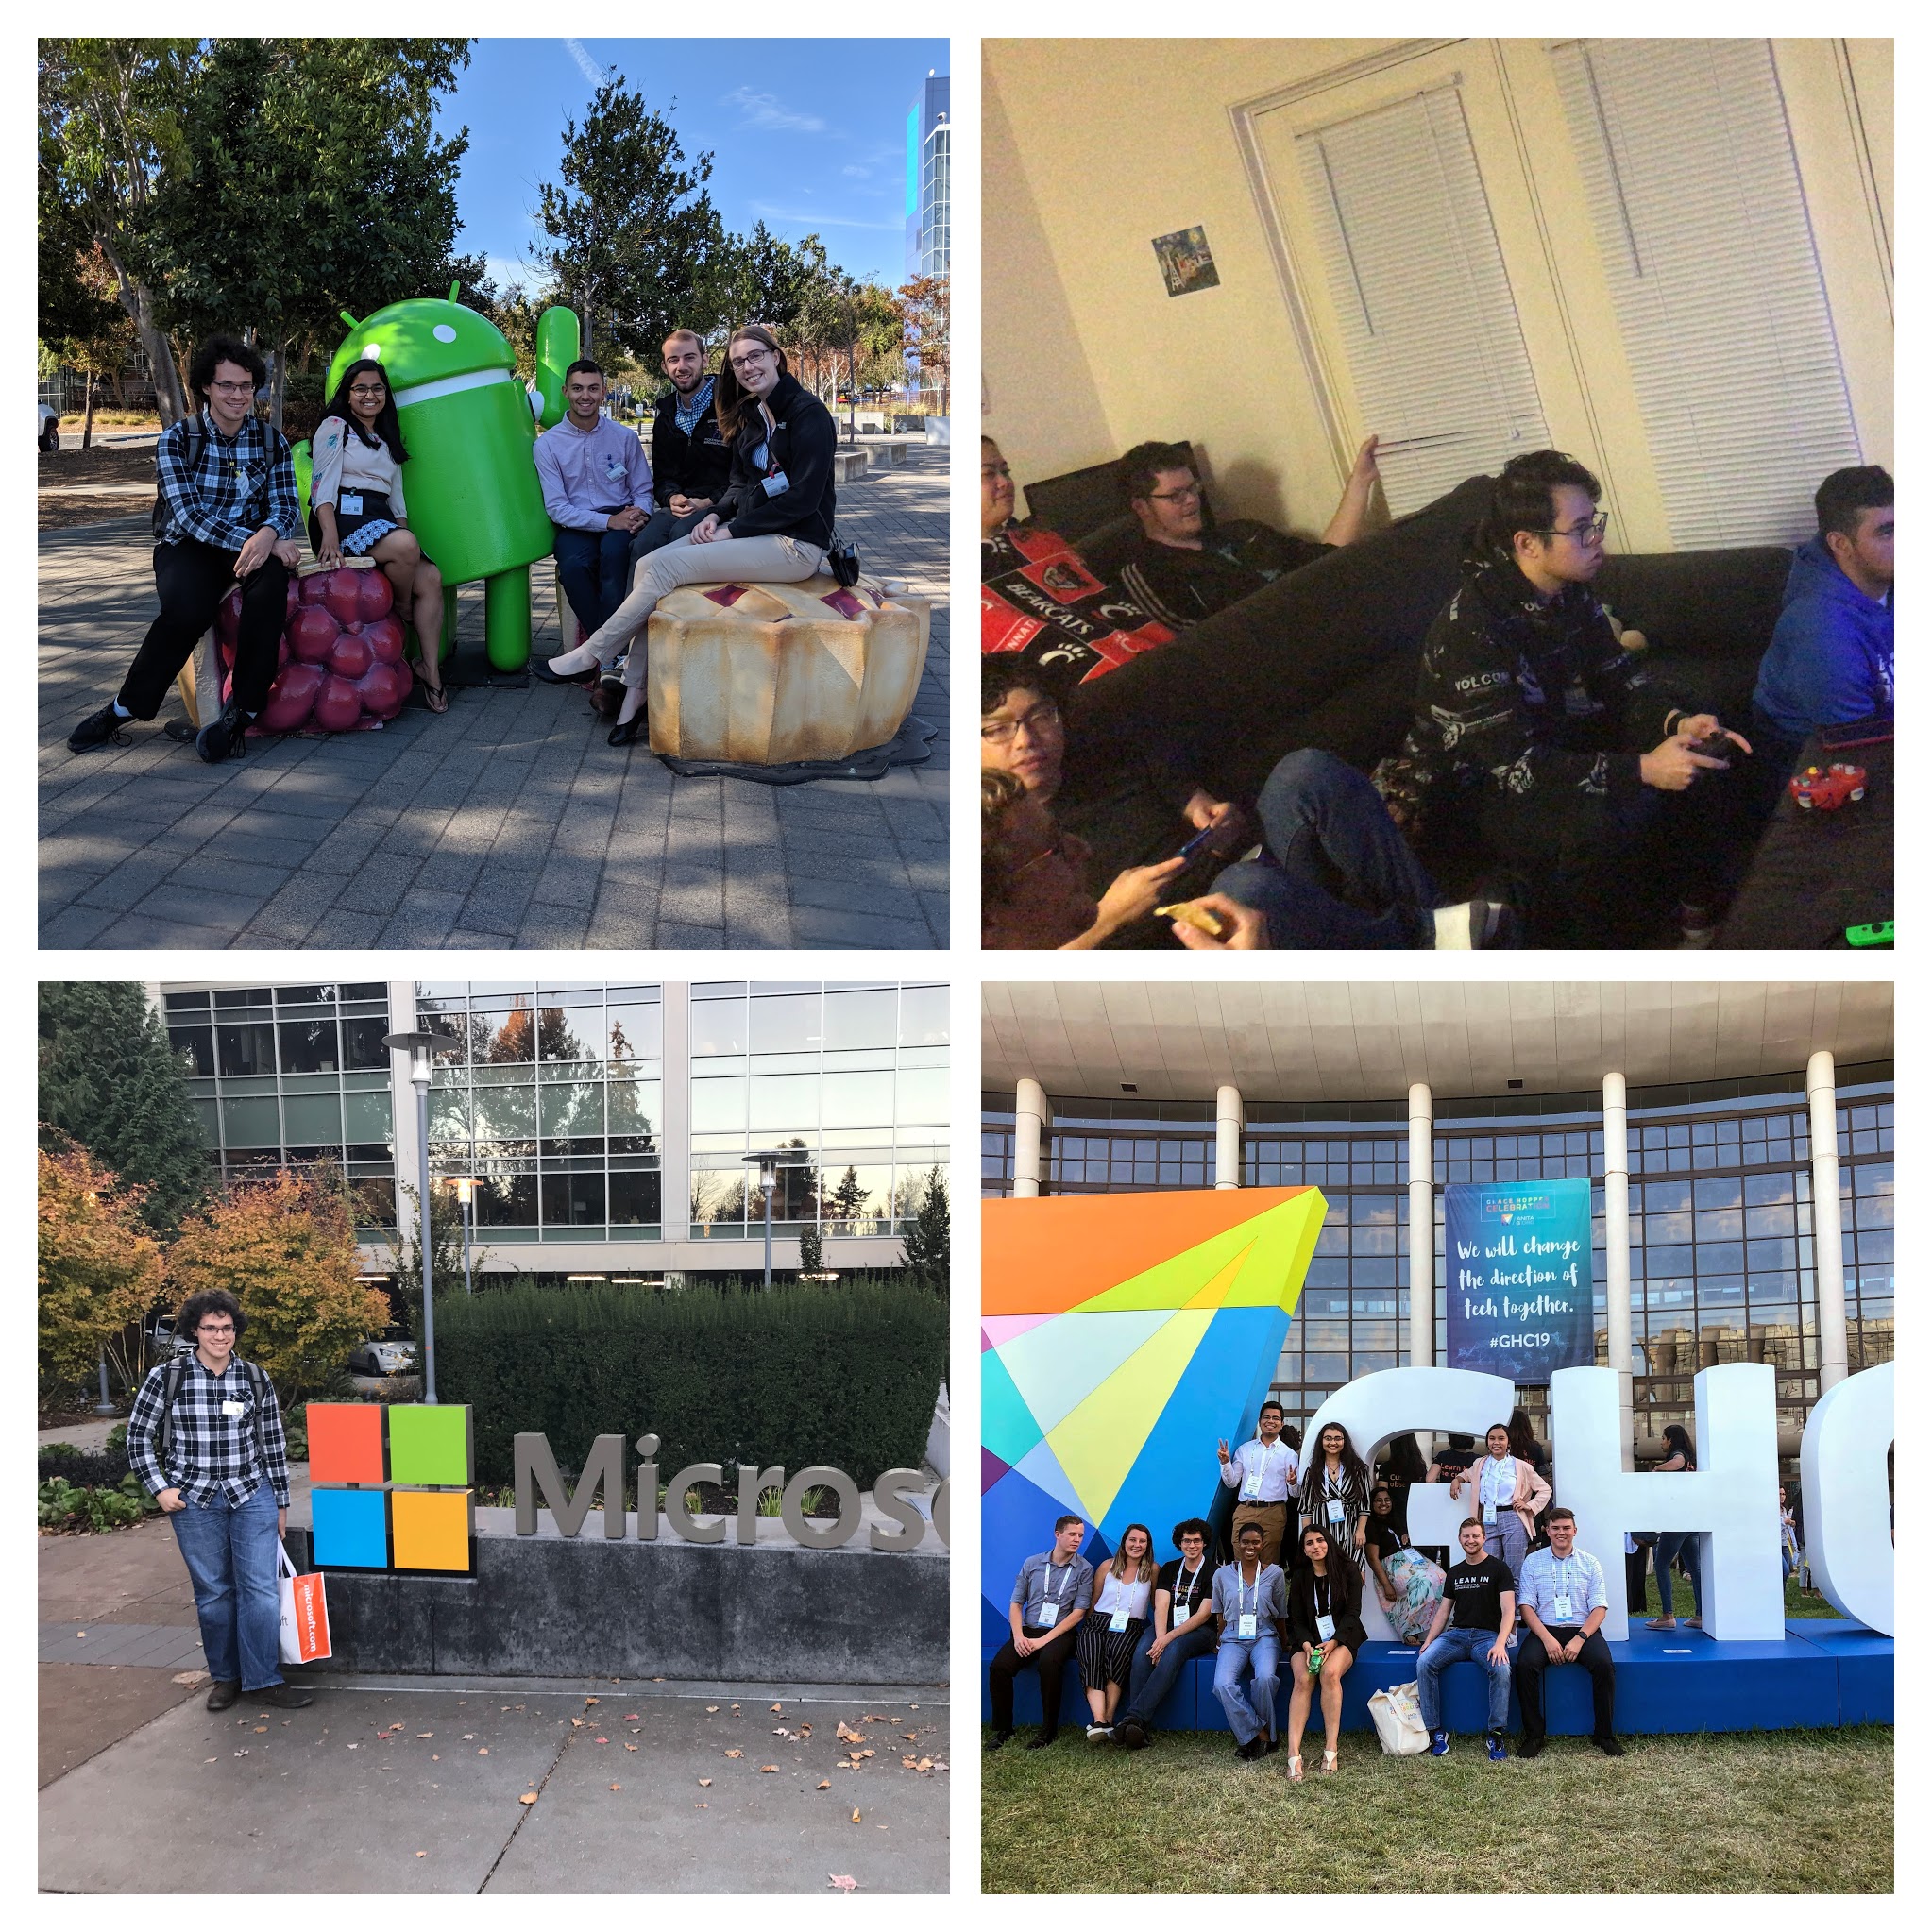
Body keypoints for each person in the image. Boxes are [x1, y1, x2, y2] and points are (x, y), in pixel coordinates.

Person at [1375, 449, 1754, 944]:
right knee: (1592, 822)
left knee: (1700, 747)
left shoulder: (1571, 592)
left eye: (1593, 522)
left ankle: (1702, 920)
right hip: (1469, 789)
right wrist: (1642, 767)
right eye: (1579, 530)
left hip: (1550, 744)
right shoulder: (1473, 625)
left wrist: (1677, 723)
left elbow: (1620, 687)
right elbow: (1515, 766)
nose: (1596, 539)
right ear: (1528, 543)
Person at [981, 660, 1511, 950]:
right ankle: (1420, 939)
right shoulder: (993, 836)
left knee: (1304, 769)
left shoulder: (1107, 756)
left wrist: (1213, 818)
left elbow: (1193, 800)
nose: (1027, 741)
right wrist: (1113, 917)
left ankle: (1438, 919)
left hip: (1251, 864)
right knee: (1244, 889)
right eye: (998, 731)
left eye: (1040, 717)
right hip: (1189, 934)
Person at [546, 326, 837, 747]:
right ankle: (633, 696)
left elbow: (805, 500)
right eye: (739, 362)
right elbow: (741, 486)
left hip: (794, 544)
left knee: (668, 565)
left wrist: (730, 528)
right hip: (751, 532)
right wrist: (716, 517)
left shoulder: (807, 413)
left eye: (756, 357)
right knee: (647, 563)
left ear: (777, 356)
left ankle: (597, 652)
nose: (748, 368)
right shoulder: (756, 413)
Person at [69, 335, 302, 762]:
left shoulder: (272, 442)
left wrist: (269, 532)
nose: (238, 395)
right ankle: (125, 708)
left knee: (270, 591)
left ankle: (243, 710)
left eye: (246, 386)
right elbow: (190, 516)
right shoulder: (179, 439)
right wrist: (259, 539)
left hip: (250, 545)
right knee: (187, 612)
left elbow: (285, 502)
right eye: (227, 385)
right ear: (207, 388)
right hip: (188, 545)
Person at [124, 1290, 312, 1713]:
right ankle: (226, 1678)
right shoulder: (167, 1378)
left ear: (235, 1331)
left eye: (226, 1328)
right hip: (194, 1501)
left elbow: (273, 1444)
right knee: (213, 1594)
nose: (219, 1335)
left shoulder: (253, 1378)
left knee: (260, 1591)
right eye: (210, 1327)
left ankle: (263, 1679)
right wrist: (160, 1488)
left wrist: (280, 1503)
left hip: (251, 1495)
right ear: (195, 1330)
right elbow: (137, 1438)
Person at [1114, 434, 1381, 628]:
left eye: (1192, 488)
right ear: (1142, 507)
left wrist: (1360, 481)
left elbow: (1327, 559)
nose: (1192, 500)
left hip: (1338, 618)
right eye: (1175, 495)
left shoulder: (1242, 532)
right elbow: (1199, 651)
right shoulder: (1150, 572)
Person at [309, 359, 448, 712]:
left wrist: (407, 541)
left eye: (377, 388)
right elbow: (321, 485)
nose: (369, 395)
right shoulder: (336, 425)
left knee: (431, 576)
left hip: (380, 517)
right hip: (341, 517)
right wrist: (328, 535)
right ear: (348, 393)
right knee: (405, 544)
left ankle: (429, 670)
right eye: (361, 388)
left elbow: (395, 495)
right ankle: (402, 607)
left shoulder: (385, 435)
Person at [981, 436, 1178, 686]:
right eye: (989, 474)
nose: (1005, 482)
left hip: (1150, 656)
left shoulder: (1041, 540)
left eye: (1005, 471)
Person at [1752, 466, 1893, 762]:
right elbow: (1861, 749)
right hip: (1818, 760)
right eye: (1887, 532)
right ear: (1840, 544)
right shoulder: (1823, 631)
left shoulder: (1888, 575)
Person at [532, 359, 656, 657]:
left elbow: (643, 489)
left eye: (592, 388)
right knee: (573, 568)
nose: (585, 396)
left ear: (603, 392)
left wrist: (639, 514)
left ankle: (599, 655)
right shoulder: (547, 445)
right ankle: (611, 652)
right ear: (565, 391)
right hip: (576, 522)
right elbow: (557, 508)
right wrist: (607, 522)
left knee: (614, 558)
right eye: (577, 388)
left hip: (622, 514)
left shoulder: (624, 437)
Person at [1512, 1506, 1621, 1756]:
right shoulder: (1533, 1561)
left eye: (1566, 1528)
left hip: (1583, 1629)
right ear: (1547, 1531)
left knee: (1604, 1665)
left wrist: (1580, 1639)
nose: (1561, 1533)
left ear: (1575, 1531)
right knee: (1525, 1665)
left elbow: (1600, 1607)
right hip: (1545, 1628)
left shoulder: (1590, 1563)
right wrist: (1547, 1639)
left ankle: (1604, 1735)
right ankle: (1534, 1736)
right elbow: (1526, 1606)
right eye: (1556, 1528)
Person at [988, 1513, 1093, 1750]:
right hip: (1027, 1630)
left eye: (1081, 1535)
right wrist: (1018, 1637)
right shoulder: (1032, 1563)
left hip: (1060, 1633)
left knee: (1049, 1663)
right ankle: (1004, 1728)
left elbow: (1078, 1613)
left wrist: (1043, 1641)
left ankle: (1048, 1729)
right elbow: (1016, 1604)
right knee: (999, 1668)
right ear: (1058, 1535)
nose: (1077, 1539)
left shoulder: (1084, 1569)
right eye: (1072, 1534)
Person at [1415, 1517, 1517, 1759]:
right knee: (1424, 1662)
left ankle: (1496, 1734)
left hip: (1487, 1637)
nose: (1470, 1540)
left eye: (1475, 1536)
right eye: (1466, 1536)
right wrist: (1429, 1640)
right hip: (1457, 1636)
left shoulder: (1499, 1569)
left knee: (1501, 1669)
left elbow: (1509, 1611)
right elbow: (1444, 1611)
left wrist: (1500, 1643)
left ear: (1484, 1538)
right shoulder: (1455, 1572)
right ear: (1460, 1539)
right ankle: (1435, 1732)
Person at [633, 329, 734, 564]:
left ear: (705, 359)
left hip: (725, 505)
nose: (682, 366)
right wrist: (671, 497)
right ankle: (636, 602)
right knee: (642, 546)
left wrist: (710, 502)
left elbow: (745, 473)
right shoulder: (666, 415)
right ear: (664, 367)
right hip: (682, 508)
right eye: (673, 360)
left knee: (681, 539)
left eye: (689, 357)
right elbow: (662, 478)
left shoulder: (729, 406)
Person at [1116, 1517, 1219, 1750]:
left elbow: (1203, 1614)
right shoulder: (1170, 1568)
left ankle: (1133, 1718)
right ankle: (1137, 1728)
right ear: (1179, 1544)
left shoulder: (1214, 1571)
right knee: (1143, 1650)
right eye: (1186, 1541)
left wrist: (1166, 1640)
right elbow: (1160, 1605)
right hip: (1166, 1625)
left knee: (1173, 1650)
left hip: (1200, 1631)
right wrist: (1160, 1637)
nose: (1191, 1545)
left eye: (1196, 1541)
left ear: (1204, 1543)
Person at [1282, 1522, 1365, 1779]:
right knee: (1303, 1678)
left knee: (1329, 1673)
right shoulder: (1300, 1575)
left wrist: (1334, 1642)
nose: (1316, 1546)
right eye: (1309, 1543)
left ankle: (1331, 1749)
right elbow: (1295, 1619)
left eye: (1320, 1540)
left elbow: (1353, 1613)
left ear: (1328, 1542)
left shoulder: (1349, 1569)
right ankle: (1293, 1755)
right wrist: (1307, 1644)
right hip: (1307, 1639)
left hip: (1342, 1637)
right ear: (1304, 1550)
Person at [1211, 1520, 1285, 1760]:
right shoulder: (1222, 1574)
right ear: (1237, 1544)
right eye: (1245, 1542)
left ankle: (1258, 1737)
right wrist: (1220, 1639)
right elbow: (1219, 1613)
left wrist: (1284, 1642)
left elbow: (1281, 1613)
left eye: (1255, 1542)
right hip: (1232, 1636)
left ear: (1263, 1544)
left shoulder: (1275, 1573)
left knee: (1264, 1678)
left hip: (1264, 1634)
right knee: (1222, 1684)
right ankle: (1261, 1734)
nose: (1250, 1546)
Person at [1076, 1522, 1157, 1743]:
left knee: (1117, 1654)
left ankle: (1109, 1719)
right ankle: (1099, 1720)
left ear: (1148, 1545)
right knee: (1090, 1655)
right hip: (1099, 1621)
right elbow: (1093, 1601)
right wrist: (1088, 1626)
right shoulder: (1107, 1566)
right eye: (1133, 1540)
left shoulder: (1152, 1570)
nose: (1137, 1545)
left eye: (1142, 1541)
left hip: (1130, 1625)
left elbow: (1156, 1604)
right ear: (1124, 1542)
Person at [1449, 1421, 1552, 1585]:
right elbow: (1467, 1474)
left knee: (1514, 1571)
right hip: (1487, 1519)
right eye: (1492, 1438)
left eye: (1501, 1438)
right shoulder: (1480, 1463)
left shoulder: (1521, 1466)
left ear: (1508, 1442)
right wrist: (1457, 1479)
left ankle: (1514, 1610)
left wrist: (1529, 1506)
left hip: (1513, 1518)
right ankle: (1493, 1609)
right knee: (1488, 1569)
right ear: (1487, 1442)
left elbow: (1545, 1489)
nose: (1496, 1442)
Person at [1217, 1398, 1300, 1568]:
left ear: (1282, 1423)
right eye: (1266, 1417)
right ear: (1260, 1421)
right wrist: (1225, 1462)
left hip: (1273, 1512)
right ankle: (1242, 1595)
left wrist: (1292, 1482)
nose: (1271, 1421)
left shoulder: (1289, 1454)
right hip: (1245, 1510)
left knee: (1267, 1563)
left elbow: (1295, 1493)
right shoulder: (1245, 1449)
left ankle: (1264, 1596)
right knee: (1240, 1560)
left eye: (1276, 1418)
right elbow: (1232, 1482)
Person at [1646, 1423, 1703, 1630]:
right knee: (1695, 1568)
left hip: (1677, 1519)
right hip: (1692, 1520)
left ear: (1671, 1440)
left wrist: (1658, 1469)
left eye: (1663, 1437)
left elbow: (1676, 1463)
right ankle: (1701, 1614)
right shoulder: (1692, 1459)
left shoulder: (1678, 1455)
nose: (1661, 1442)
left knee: (1661, 1564)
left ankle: (1667, 1615)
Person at [1299, 1420, 1373, 1572]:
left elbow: (1364, 1504)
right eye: (1328, 1438)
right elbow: (1306, 1508)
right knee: (1325, 1575)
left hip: (1350, 1531)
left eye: (1337, 1438)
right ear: (1321, 1441)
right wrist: (1308, 1536)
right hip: (1322, 1534)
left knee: (1354, 1575)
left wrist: (1361, 1530)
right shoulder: (1312, 1472)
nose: (1333, 1442)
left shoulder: (1358, 1470)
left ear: (1344, 1441)